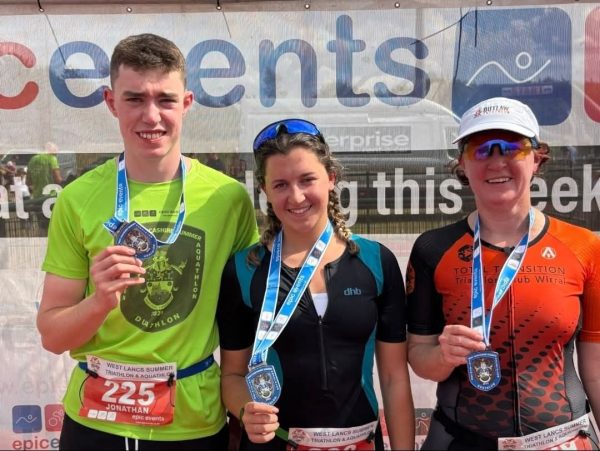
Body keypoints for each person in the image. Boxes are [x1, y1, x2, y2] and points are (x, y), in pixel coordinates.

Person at [36, 33, 259, 450]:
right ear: (111, 102)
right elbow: (52, 336)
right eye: (135, 99)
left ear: (187, 103)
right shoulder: (78, 199)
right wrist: (99, 300)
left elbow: (245, 314)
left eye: (165, 100)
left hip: (193, 422)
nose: (151, 116)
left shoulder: (228, 198)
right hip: (96, 422)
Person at [406, 97, 600, 450]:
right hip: (461, 441)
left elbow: (596, 366)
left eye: (513, 147)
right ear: (463, 164)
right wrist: (442, 356)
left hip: (562, 441)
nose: (496, 161)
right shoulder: (433, 249)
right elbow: (419, 356)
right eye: (480, 149)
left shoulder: (584, 246)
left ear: (537, 158)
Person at [217, 118, 415, 450]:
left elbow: (394, 378)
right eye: (280, 184)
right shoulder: (244, 269)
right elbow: (232, 376)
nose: (296, 196)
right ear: (264, 190)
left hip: (361, 444)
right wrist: (245, 409)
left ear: (331, 178)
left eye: (307, 179)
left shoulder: (375, 261)